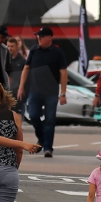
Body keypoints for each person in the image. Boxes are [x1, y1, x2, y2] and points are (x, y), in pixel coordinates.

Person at [18, 27, 68, 159]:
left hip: (51, 93)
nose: (38, 39)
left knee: (50, 120)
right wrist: (21, 86)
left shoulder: (57, 52)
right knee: (33, 116)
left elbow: (63, 73)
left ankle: (47, 148)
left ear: (49, 38)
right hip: (35, 91)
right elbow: (26, 68)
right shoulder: (34, 50)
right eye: (37, 36)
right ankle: (41, 137)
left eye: (41, 36)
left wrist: (63, 93)